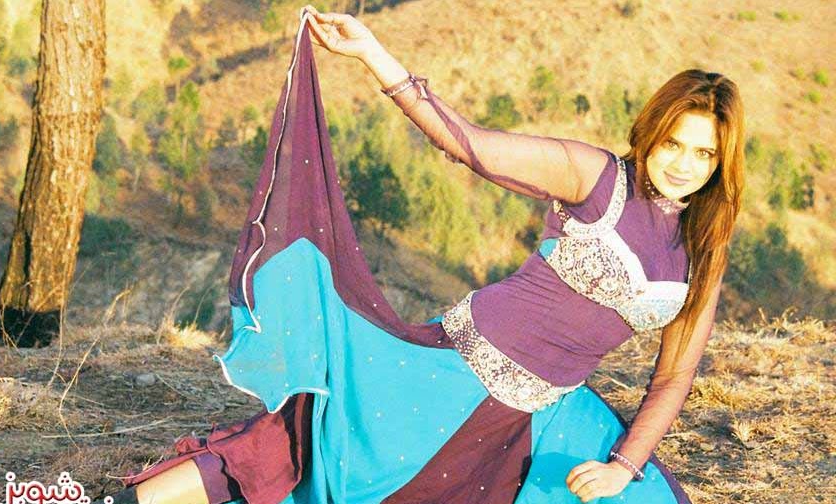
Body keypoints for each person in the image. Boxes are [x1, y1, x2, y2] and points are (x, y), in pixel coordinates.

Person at [95, 5, 744, 504]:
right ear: (650, 132)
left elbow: (672, 376)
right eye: (672, 144)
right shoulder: (597, 177)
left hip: (542, 412)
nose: (683, 165)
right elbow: (471, 145)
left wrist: (624, 464)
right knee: (309, 445)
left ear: (722, 161)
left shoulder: (704, 245)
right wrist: (373, 55)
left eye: (704, 153)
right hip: (456, 370)